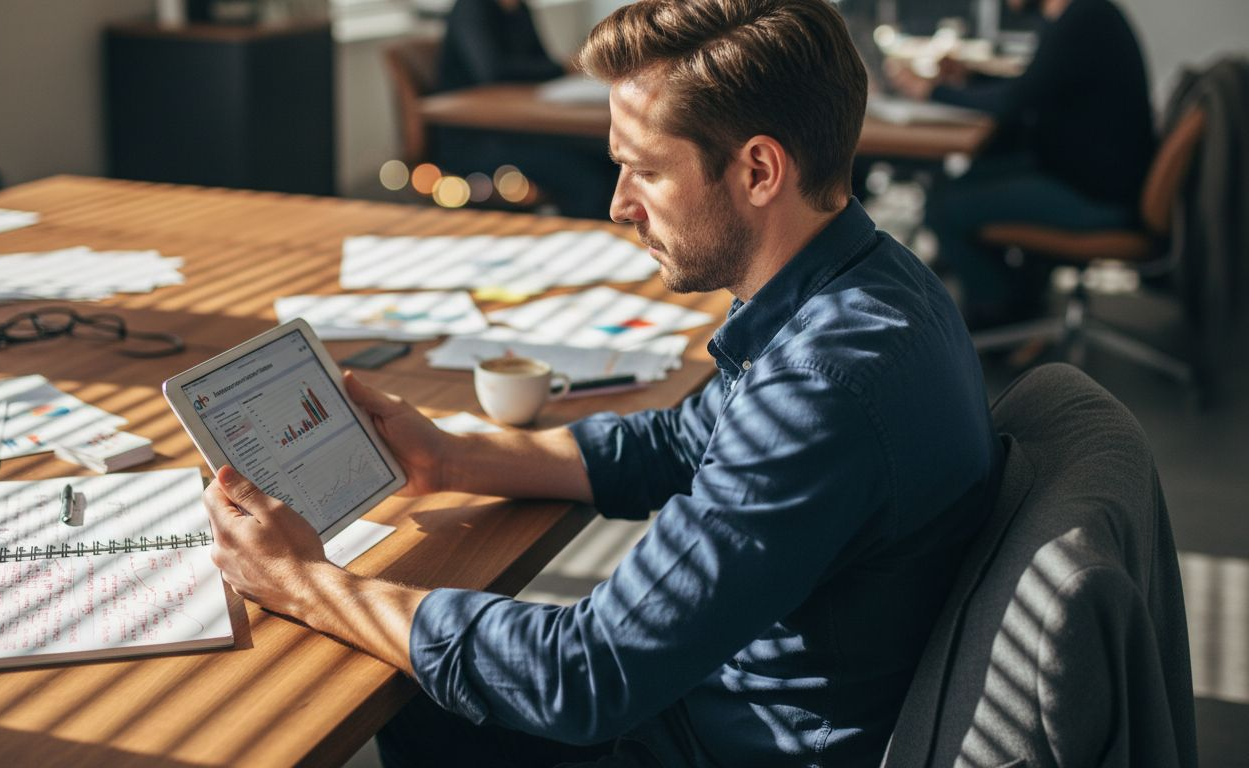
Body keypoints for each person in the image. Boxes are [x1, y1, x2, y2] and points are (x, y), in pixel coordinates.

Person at [203, 1, 1002, 765]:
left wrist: (303, 583)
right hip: (720, 695)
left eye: (643, 170)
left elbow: (583, 676)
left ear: (759, 169)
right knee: (429, 700)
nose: (618, 204)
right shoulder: (875, 282)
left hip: (731, 743)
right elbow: (684, 440)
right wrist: (453, 457)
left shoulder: (821, 389)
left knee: (400, 694)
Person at [886, 0, 1156, 328]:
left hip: (1096, 198)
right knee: (959, 183)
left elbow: (1011, 102)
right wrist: (970, 77)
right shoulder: (1083, 14)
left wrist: (930, 90)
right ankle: (1017, 293)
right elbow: (1033, 86)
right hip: (1083, 176)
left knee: (944, 207)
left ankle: (1003, 314)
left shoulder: (1086, 18)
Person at [431, 0, 617, 219]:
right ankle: (584, 235)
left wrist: (564, 66)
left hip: (523, 128)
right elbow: (493, 71)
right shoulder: (472, 7)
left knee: (608, 159)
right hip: (478, 134)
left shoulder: (519, 7)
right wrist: (563, 67)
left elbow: (540, 59)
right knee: (584, 177)